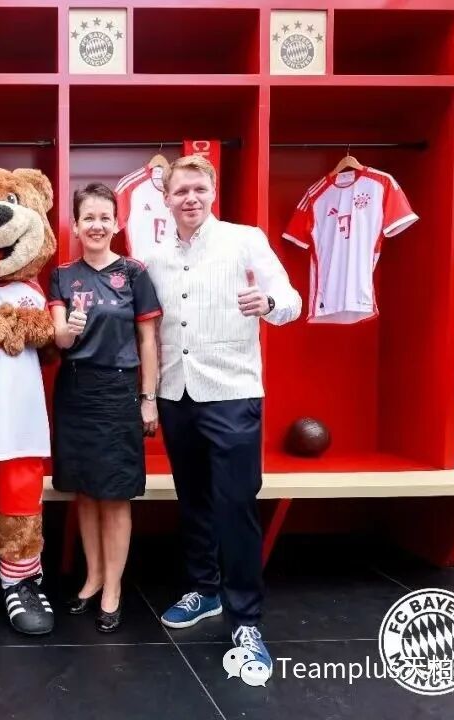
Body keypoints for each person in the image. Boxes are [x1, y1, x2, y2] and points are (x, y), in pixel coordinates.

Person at [145, 155, 301, 680]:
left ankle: (246, 621)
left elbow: (292, 300)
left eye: (198, 188)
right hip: (176, 393)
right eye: (180, 191)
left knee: (236, 506)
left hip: (232, 393)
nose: (189, 198)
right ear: (166, 198)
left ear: (212, 191)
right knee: (193, 501)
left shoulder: (245, 240)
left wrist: (269, 302)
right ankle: (203, 589)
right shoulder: (154, 257)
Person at [48, 183, 161, 633]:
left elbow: (148, 341)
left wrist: (148, 398)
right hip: (75, 390)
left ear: (117, 224)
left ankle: (113, 588)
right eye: (88, 218)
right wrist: (70, 329)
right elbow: (59, 340)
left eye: (104, 218)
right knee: (85, 491)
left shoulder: (134, 273)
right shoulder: (62, 275)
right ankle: (92, 578)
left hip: (118, 392)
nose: (96, 225)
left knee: (114, 494)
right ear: (75, 226)